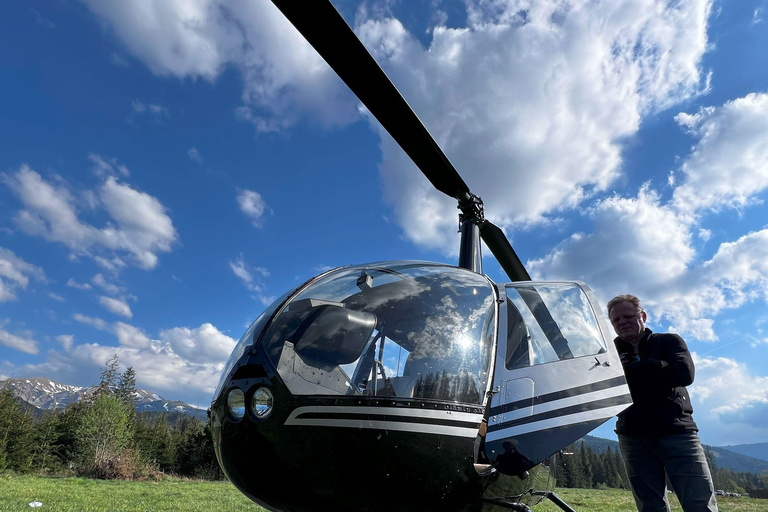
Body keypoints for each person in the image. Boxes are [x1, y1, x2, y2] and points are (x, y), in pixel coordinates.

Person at [607, 294, 717, 512]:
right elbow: (603, 386)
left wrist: (635, 368)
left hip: (678, 433)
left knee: (700, 504)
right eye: (616, 320)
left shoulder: (669, 341)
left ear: (643, 316)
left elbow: (684, 374)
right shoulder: (609, 353)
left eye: (628, 316)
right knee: (650, 507)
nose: (622, 322)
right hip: (633, 437)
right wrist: (659, 368)